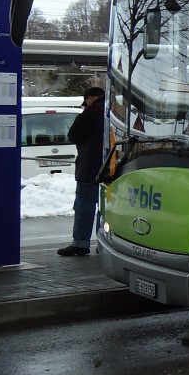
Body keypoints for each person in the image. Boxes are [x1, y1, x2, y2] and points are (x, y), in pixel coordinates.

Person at [57, 86, 106, 257]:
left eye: (86, 101)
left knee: (84, 205)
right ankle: (104, 244)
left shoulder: (90, 113)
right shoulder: (116, 111)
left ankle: (80, 243)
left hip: (90, 167)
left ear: (91, 98)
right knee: (106, 208)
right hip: (112, 168)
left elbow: (74, 136)